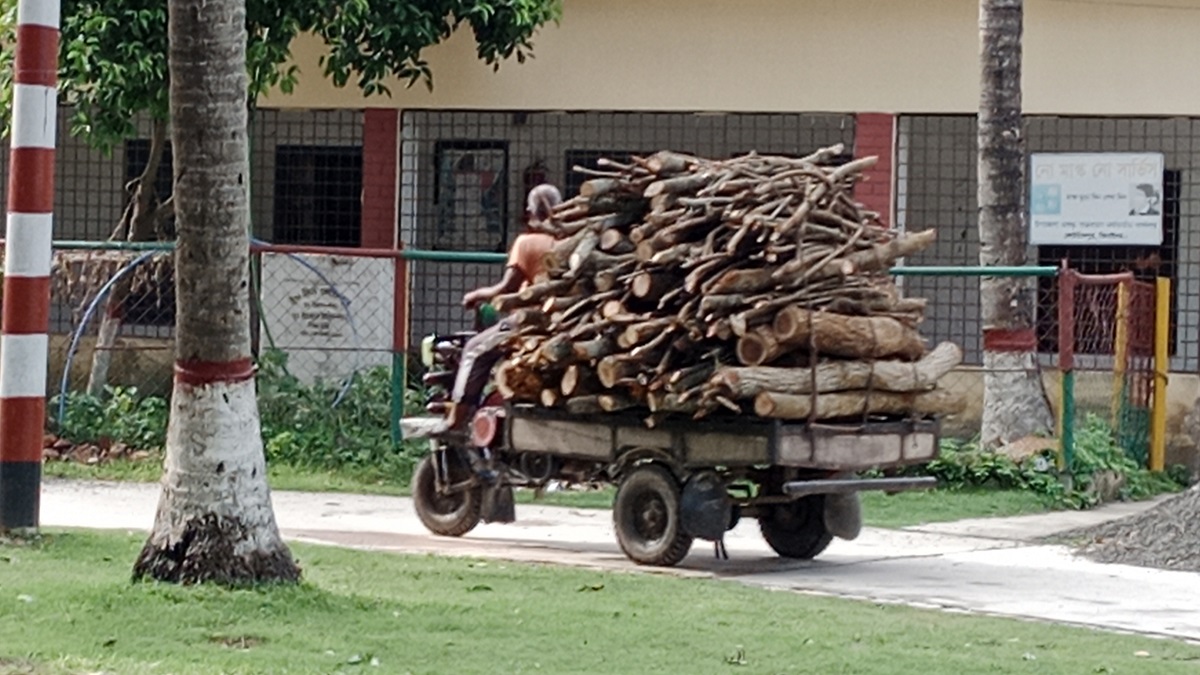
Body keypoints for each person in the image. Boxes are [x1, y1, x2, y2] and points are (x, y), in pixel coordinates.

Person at [442, 184, 562, 435]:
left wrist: (476, 296)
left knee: (474, 349)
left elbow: (507, 288)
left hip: (529, 323)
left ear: (530, 212)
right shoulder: (569, 241)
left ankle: (457, 417)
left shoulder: (527, 243)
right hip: (563, 322)